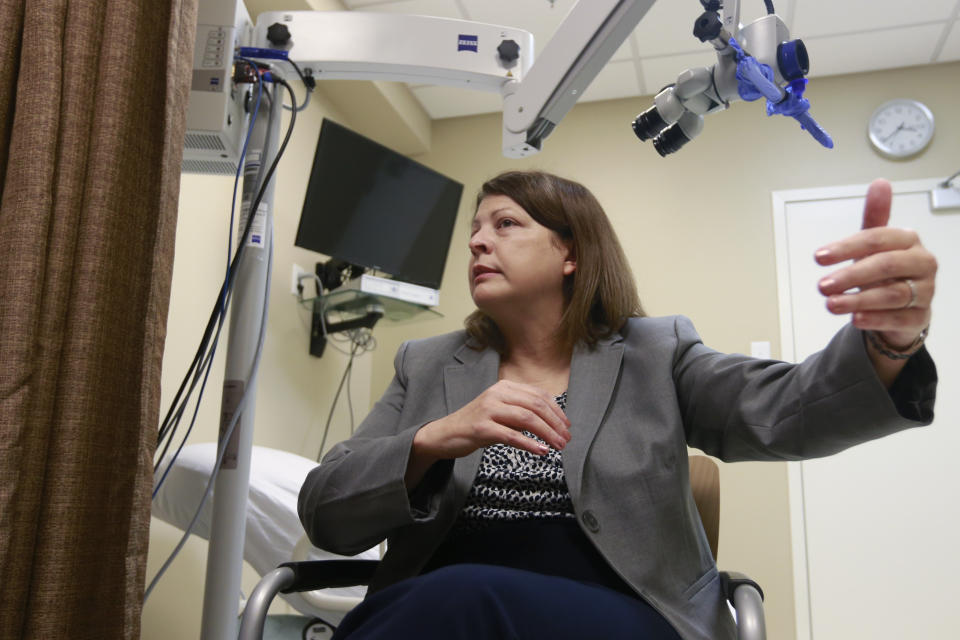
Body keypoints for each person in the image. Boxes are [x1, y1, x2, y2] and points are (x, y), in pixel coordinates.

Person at [298, 170, 937, 640]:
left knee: (454, 600)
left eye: (506, 224)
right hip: (439, 614)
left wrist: (889, 340)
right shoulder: (428, 364)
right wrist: (432, 439)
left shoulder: (657, 353)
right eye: (474, 231)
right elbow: (326, 509)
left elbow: (788, 409)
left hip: (618, 615)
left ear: (571, 253)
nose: (477, 243)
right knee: (436, 604)